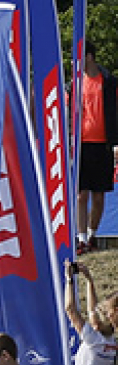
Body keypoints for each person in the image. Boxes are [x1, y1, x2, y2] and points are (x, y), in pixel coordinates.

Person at [81, 44, 111, 248]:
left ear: (89, 57)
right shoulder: (73, 84)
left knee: (98, 196)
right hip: (81, 145)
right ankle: (80, 239)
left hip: (103, 145)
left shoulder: (109, 82)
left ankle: (92, 235)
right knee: (80, 195)